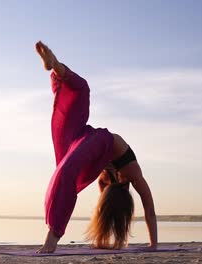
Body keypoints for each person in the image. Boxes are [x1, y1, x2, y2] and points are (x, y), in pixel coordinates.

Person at [35, 41, 158, 253]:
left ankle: (52, 236)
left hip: (86, 145)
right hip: (99, 139)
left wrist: (152, 245)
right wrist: (153, 244)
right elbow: (149, 209)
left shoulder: (105, 181)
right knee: (80, 91)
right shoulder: (133, 173)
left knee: (65, 174)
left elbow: (108, 210)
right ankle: (56, 66)